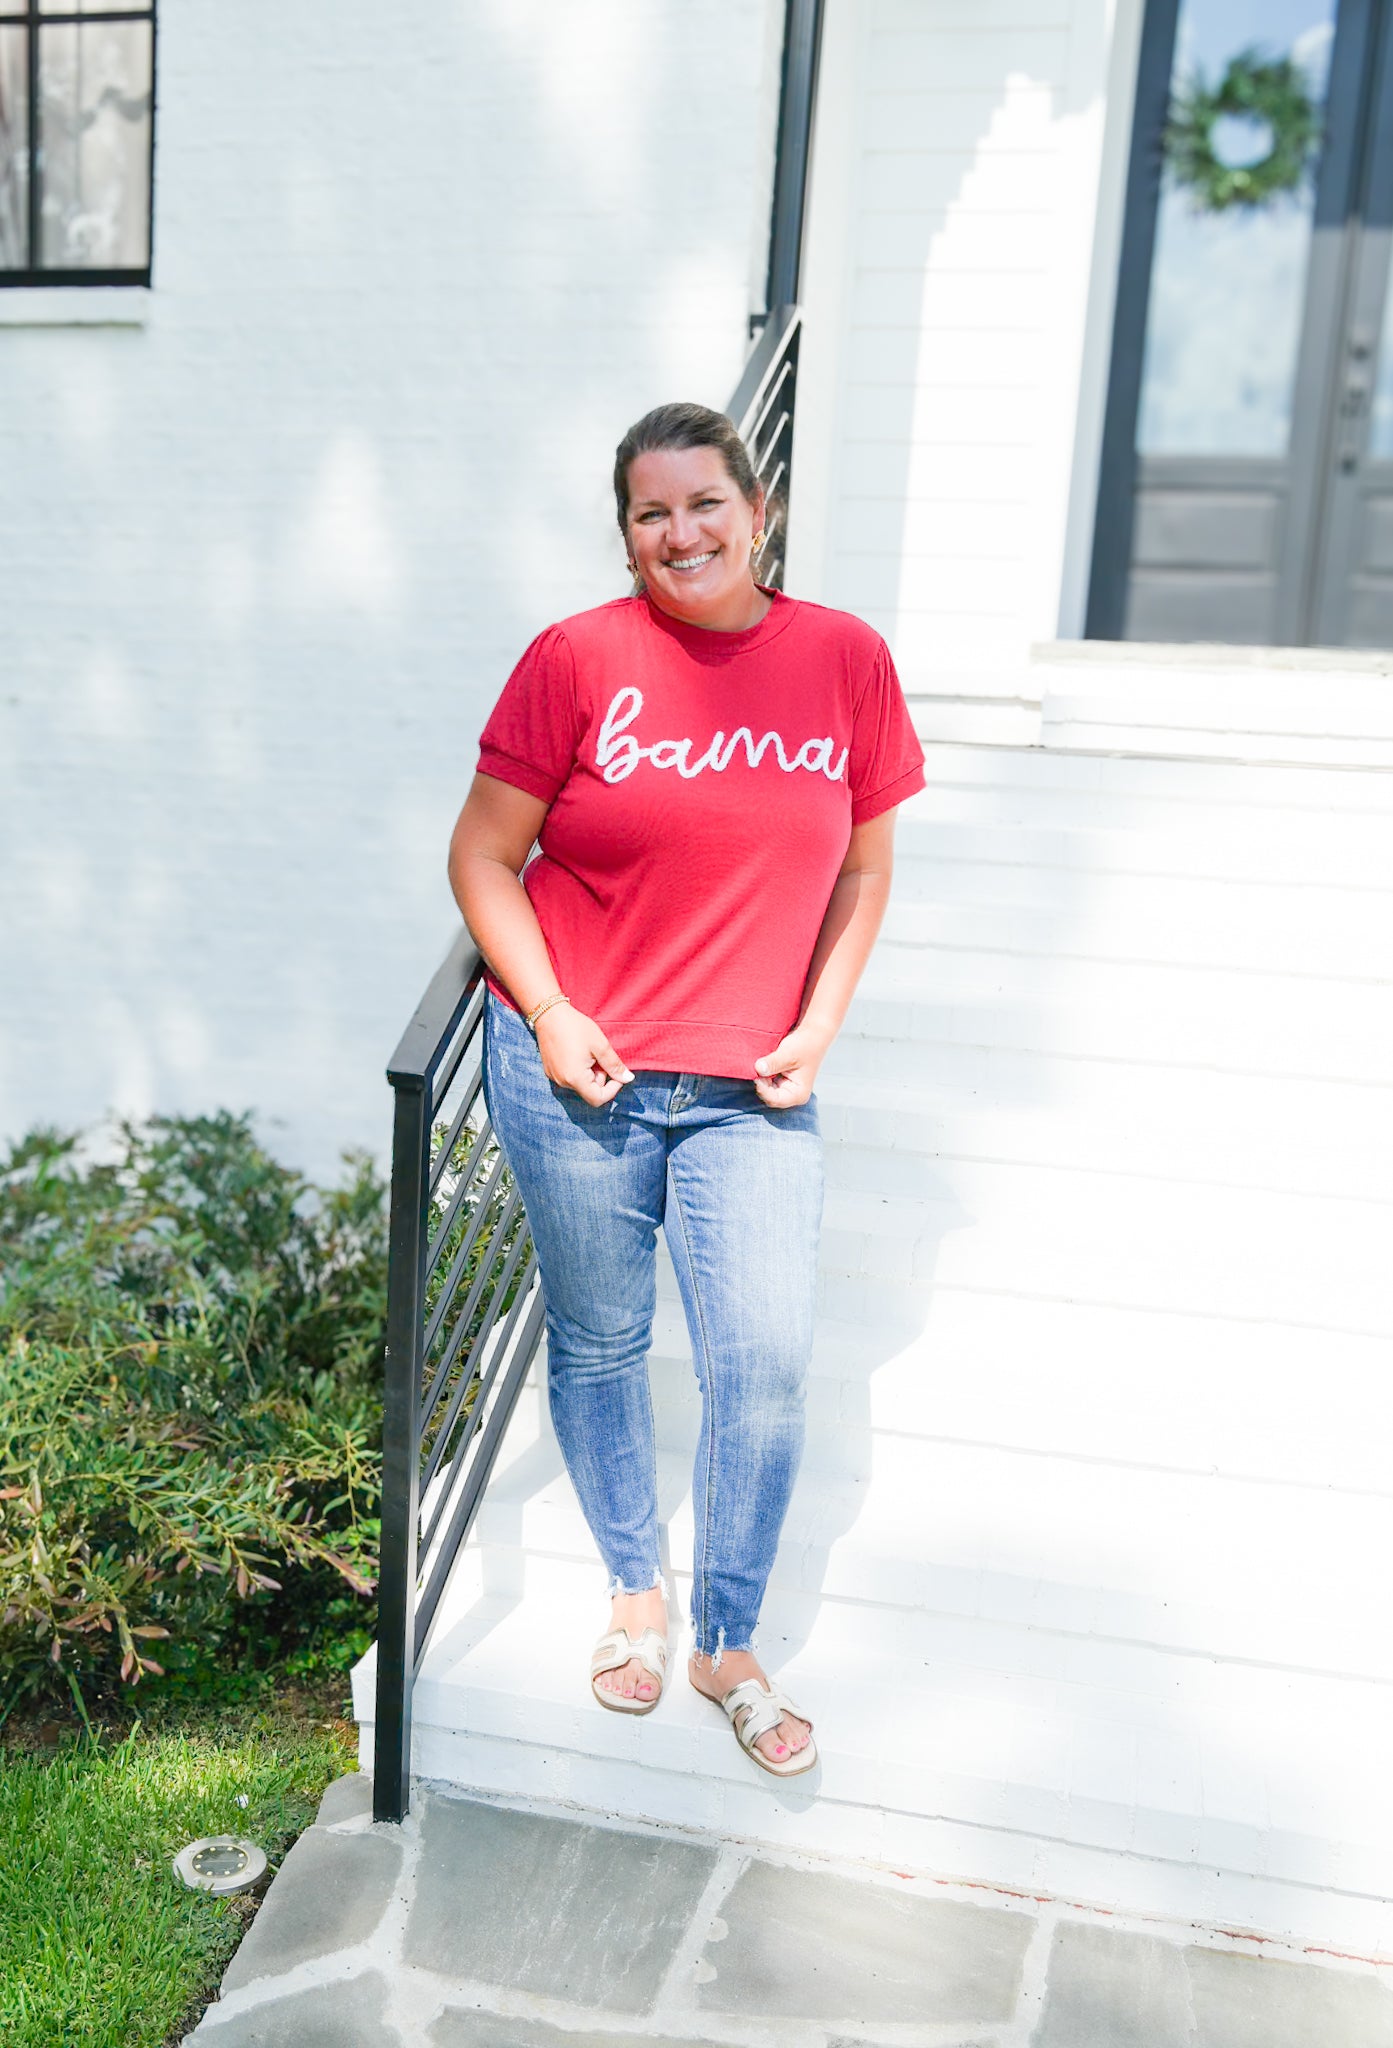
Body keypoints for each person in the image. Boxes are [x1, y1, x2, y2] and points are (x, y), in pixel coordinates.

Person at [447, 401, 925, 1777]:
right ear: (627, 534)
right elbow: (483, 860)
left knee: (761, 1365)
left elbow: (863, 871)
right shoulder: (576, 660)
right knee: (599, 1342)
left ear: (757, 509)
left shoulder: (841, 661)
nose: (682, 533)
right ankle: (632, 1599)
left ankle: (724, 1640)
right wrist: (545, 1010)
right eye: (652, 513)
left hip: (750, 1088)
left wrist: (817, 1026)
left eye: (704, 503)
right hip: (578, 1074)